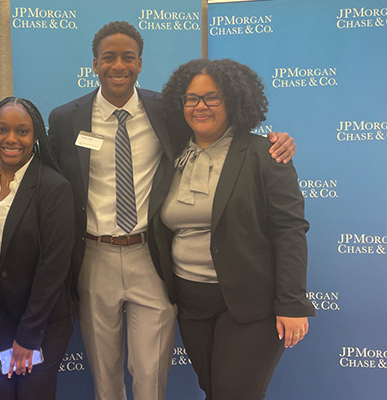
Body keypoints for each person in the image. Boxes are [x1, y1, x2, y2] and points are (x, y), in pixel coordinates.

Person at [46, 21, 298, 400]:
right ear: (94, 64)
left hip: (151, 257)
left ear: (141, 63)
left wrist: (278, 140)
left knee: (151, 372)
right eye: (109, 57)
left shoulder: (167, 109)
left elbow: (219, 136)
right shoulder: (66, 118)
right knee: (104, 370)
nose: (119, 65)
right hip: (94, 257)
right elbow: (46, 170)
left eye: (128, 57)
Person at [158, 58, 315, 400]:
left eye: (212, 97)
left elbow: (289, 230)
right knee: (213, 390)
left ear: (233, 100)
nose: (200, 106)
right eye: (191, 98)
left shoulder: (265, 153)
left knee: (235, 393)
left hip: (250, 304)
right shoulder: (170, 156)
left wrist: (292, 302)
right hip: (191, 302)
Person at [0, 97, 75, 400]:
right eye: (1, 129)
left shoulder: (53, 187)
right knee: (1, 390)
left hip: (42, 314)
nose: (11, 139)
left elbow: (54, 267)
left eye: (22, 131)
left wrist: (29, 335)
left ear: (36, 136)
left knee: (33, 393)